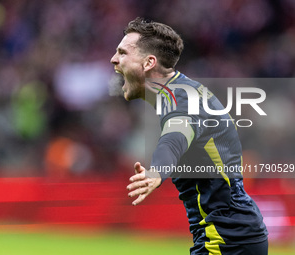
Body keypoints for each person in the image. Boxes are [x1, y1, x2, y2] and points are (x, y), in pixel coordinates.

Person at [110, 17, 268, 255]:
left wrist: (157, 171)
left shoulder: (181, 100)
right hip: (234, 235)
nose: (114, 59)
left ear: (148, 62)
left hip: (225, 240)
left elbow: (176, 136)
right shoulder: (184, 91)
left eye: (122, 52)